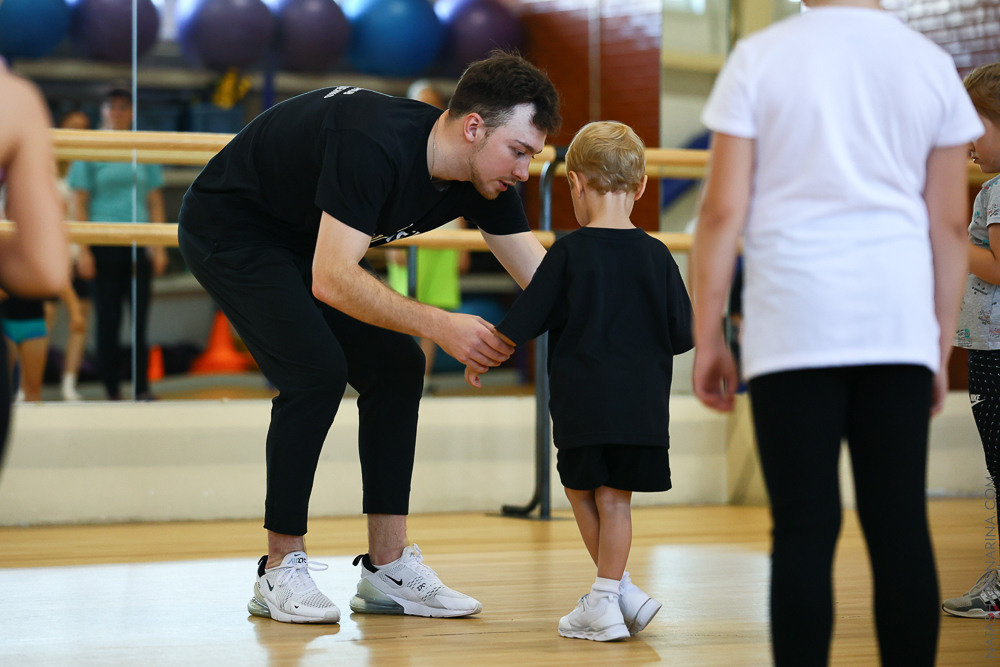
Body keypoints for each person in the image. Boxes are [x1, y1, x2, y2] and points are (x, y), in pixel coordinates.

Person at [176, 51, 561, 624]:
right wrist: (443, 324)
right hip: (232, 230)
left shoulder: (486, 177)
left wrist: (620, 327)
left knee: (399, 366)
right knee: (315, 372)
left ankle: (388, 570)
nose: (524, 171)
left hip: (307, 241)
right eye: (520, 151)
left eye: (532, 156)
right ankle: (279, 569)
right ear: (473, 127)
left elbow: (543, 280)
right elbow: (332, 279)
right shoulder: (373, 143)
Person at [690, 1, 983, 665]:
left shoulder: (760, 57)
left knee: (802, 528)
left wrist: (709, 335)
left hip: (791, 325)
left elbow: (722, 211)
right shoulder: (929, 64)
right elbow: (946, 225)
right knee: (899, 524)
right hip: (897, 329)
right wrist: (936, 348)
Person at [466, 121, 693, 641]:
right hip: (642, 408)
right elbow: (683, 333)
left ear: (575, 184)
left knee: (577, 489)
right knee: (617, 500)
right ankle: (616, 593)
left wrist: (484, 356)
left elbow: (524, 320)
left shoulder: (568, 253)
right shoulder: (658, 255)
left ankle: (606, 600)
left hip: (582, 404)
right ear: (641, 186)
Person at [68, 88, 169, 401]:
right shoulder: (90, 147)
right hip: (103, 242)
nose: (117, 112)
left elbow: (154, 200)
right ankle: (112, 389)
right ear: (102, 111)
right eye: (111, 106)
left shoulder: (143, 145)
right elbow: (79, 201)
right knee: (108, 319)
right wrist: (83, 249)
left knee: (140, 321)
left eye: (123, 107)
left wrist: (159, 244)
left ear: (132, 112)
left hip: (139, 243)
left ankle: (141, 387)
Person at [944, 62, 1000, 619]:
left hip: (995, 354)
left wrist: (948, 240)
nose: (967, 143)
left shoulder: (996, 191)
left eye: (976, 127)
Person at [0, 63, 72, 461]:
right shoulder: (12, 97)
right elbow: (45, 268)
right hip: (17, 307)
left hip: (23, 319)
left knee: (31, 390)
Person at [386, 80, 471, 390]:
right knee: (401, 312)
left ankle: (422, 379)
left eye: (432, 103)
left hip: (444, 238)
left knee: (435, 312)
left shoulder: (454, 144)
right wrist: (393, 242)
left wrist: (463, 246)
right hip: (410, 234)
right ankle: (398, 375)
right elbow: (392, 194)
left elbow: (459, 190)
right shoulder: (401, 142)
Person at [51, 109, 93, 401]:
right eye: (73, 127)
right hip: (52, 255)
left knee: (80, 319)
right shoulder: (45, 166)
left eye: (84, 128)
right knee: (45, 315)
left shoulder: (88, 166)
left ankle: (69, 383)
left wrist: (85, 251)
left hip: (78, 253)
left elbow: (85, 212)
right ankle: (26, 385)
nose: (78, 133)